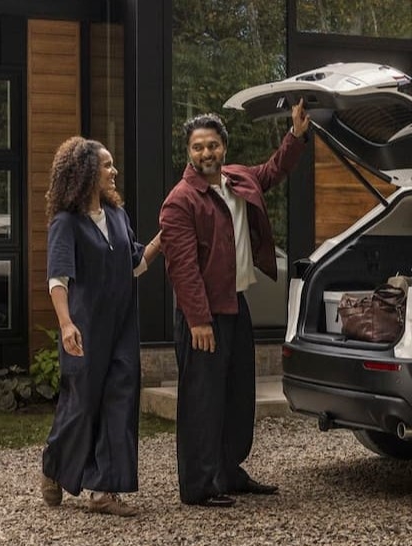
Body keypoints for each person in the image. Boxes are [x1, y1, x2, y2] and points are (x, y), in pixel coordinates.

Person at [159, 101, 309, 507]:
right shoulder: (181, 201)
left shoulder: (239, 179)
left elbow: (274, 170)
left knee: (238, 396)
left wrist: (295, 134)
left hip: (235, 305)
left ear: (224, 147)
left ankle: (228, 471)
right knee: (202, 402)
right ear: (189, 153)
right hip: (203, 315)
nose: (205, 153)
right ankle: (198, 486)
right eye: (197, 147)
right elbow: (183, 268)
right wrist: (198, 321)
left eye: (211, 145)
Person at [39, 137, 162, 516]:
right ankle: (54, 463)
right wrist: (65, 323)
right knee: (81, 404)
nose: (114, 172)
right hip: (85, 326)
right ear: (86, 172)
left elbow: (133, 263)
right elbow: (58, 278)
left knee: (121, 401)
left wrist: (165, 236)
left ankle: (104, 491)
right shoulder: (66, 223)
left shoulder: (118, 217)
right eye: (107, 165)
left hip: (123, 324)